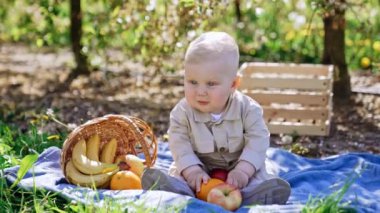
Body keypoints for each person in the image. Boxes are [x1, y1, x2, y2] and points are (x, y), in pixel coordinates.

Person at [141, 31, 291, 205]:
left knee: (263, 170)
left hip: (240, 163)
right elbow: (179, 143)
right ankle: (179, 189)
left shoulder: (248, 109)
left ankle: (254, 193)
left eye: (211, 84)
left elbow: (258, 141)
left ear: (233, 84)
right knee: (179, 171)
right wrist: (192, 171)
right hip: (200, 165)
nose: (200, 91)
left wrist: (243, 170)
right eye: (193, 82)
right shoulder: (182, 112)